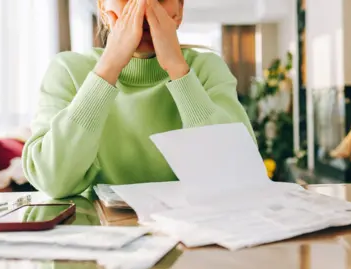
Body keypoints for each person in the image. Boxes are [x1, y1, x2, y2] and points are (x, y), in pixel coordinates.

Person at [22, 0, 255, 199]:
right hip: (100, 234)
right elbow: (51, 180)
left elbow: (236, 174)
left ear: (179, 11)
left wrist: (177, 69)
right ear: (103, 8)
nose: (144, 9)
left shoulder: (206, 68)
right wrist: (108, 67)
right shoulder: (68, 70)